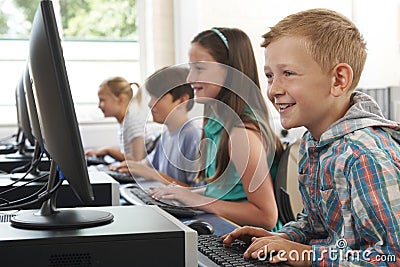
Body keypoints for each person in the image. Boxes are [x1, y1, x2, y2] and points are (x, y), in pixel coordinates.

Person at [222, 8, 400, 266]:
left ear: (338, 80)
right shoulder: (312, 143)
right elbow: (316, 225)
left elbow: (392, 258)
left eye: (288, 74)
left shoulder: (363, 157)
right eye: (270, 75)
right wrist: (279, 238)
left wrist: (306, 255)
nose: (274, 89)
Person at [149, 27, 284, 229]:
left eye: (200, 68)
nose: (189, 78)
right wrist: (181, 195)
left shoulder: (241, 134)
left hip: (252, 244)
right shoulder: (217, 124)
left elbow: (266, 217)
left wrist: (199, 201)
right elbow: (225, 192)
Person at [110, 66, 201, 186]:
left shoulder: (193, 137)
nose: (150, 103)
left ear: (182, 100)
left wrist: (153, 174)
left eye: (158, 97)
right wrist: (129, 166)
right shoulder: (165, 135)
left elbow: (198, 194)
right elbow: (146, 165)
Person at [85, 76, 146, 162]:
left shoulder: (133, 123)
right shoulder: (125, 122)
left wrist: (108, 151)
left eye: (102, 100)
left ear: (121, 99)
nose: (99, 105)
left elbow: (137, 159)